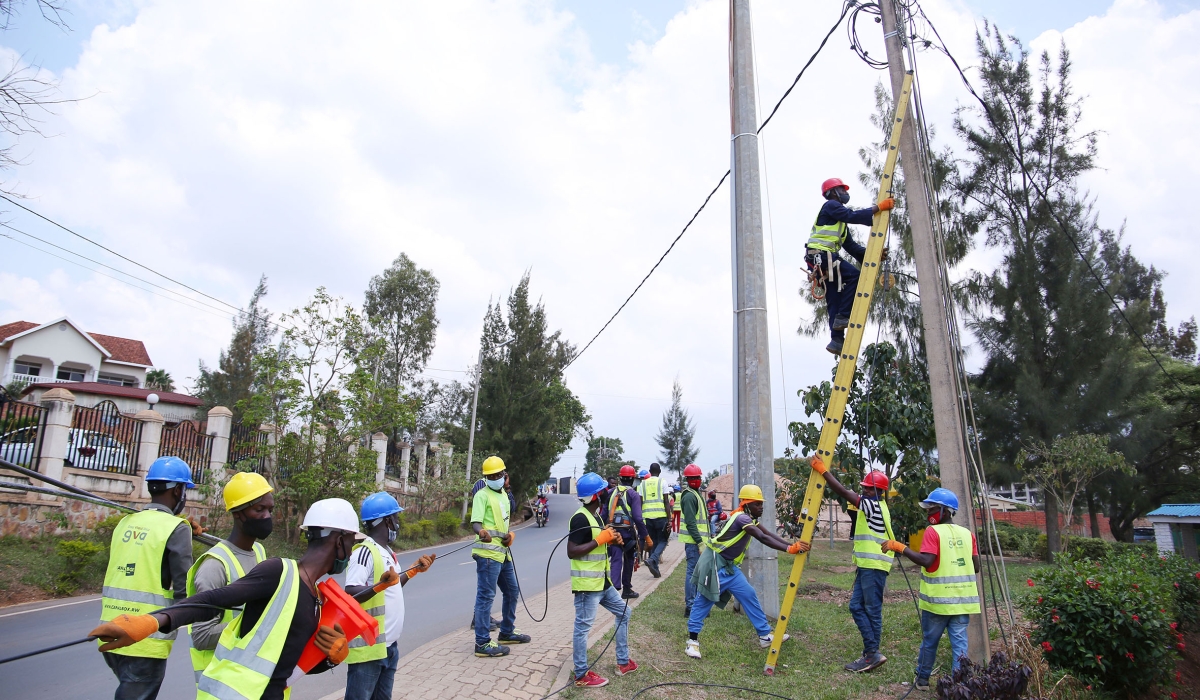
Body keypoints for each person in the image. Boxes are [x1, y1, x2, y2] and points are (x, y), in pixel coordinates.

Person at [91, 498, 377, 700]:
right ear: (338, 538)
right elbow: (212, 599)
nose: (351, 551)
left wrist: (330, 659)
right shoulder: (279, 571)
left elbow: (288, 666)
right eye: (352, 542)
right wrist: (152, 621)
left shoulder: (315, 597)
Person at [97, 455, 198, 700]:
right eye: (184, 490)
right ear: (177, 491)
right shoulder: (176, 528)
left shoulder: (125, 522)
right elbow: (185, 588)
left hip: (110, 629)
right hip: (144, 636)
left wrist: (184, 530)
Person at [685, 484, 809, 659]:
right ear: (747, 504)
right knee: (703, 602)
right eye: (757, 504)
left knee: (749, 594)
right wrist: (789, 549)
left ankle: (764, 635)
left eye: (761, 504)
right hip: (715, 565)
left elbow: (769, 533)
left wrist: (791, 545)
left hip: (729, 568)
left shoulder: (749, 519)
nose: (761, 507)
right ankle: (692, 643)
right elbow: (762, 537)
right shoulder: (742, 519)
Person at [879, 488, 980, 692]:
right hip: (962, 602)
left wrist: (900, 547)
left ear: (946, 511)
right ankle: (960, 686)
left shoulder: (932, 532)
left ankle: (922, 681)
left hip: (937, 603)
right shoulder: (968, 535)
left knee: (929, 642)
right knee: (960, 647)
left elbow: (927, 561)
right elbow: (976, 566)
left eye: (932, 509)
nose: (928, 513)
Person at [184, 471, 273, 686]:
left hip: (249, 680)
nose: (267, 516)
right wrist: (257, 623)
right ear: (238, 513)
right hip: (220, 683)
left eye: (270, 509)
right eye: (259, 509)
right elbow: (202, 636)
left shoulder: (259, 552)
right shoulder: (215, 565)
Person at [344, 492, 435, 700]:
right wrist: (378, 586)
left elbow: (390, 587)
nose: (397, 523)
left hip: (389, 647)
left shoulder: (386, 552)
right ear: (387, 520)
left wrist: (411, 571)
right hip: (369, 651)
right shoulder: (364, 552)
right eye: (396, 518)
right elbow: (350, 592)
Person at [810, 457, 896, 673]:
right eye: (864, 489)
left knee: (872, 611)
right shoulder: (876, 505)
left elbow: (845, 493)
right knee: (856, 606)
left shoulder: (874, 506)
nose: (865, 492)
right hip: (867, 565)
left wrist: (824, 471)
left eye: (868, 489)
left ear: (879, 492)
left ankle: (872, 654)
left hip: (874, 565)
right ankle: (871, 652)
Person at [805, 177, 894, 354]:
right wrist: (878, 208)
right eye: (842, 190)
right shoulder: (830, 206)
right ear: (832, 193)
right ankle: (843, 317)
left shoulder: (840, 226)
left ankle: (836, 340)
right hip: (821, 256)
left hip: (821, 259)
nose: (846, 193)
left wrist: (874, 254)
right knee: (854, 275)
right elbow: (851, 215)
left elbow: (852, 247)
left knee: (835, 298)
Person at [568, 472, 637, 688]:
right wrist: (600, 539)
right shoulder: (580, 518)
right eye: (605, 490)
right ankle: (581, 675)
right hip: (587, 586)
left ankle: (623, 662)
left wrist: (611, 541)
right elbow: (572, 551)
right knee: (583, 627)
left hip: (602, 582)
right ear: (597, 495)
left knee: (624, 613)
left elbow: (598, 545)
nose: (608, 493)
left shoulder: (596, 516)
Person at [471, 456, 530, 658]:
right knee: (485, 597)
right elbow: (476, 522)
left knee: (512, 591)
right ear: (486, 477)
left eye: (499, 474)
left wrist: (508, 535)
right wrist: (481, 532)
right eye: (492, 475)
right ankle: (482, 643)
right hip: (487, 555)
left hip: (502, 553)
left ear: (504, 474)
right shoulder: (482, 495)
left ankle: (506, 631)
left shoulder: (504, 494)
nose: (496, 477)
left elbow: (502, 521)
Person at [607, 465, 651, 599]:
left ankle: (612, 592)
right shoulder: (633, 494)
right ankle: (626, 589)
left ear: (620, 478)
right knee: (629, 559)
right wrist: (646, 537)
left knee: (615, 559)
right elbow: (638, 518)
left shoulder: (610, 493)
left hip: (612, 532)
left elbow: (604, 513)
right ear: (633, 479)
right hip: (627, 534)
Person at [677, 464, 710, 617]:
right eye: (692, 478)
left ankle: (696, 604)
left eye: (697, 477)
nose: (695, 480)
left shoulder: (696, 494)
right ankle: (690, 606)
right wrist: (700, 542)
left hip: (698, 542)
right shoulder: (690, 496)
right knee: (692, 573)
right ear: (687, 480)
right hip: (694, 543)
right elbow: (691, 523)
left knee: (698, 573)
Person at [636, 463, 670, 578]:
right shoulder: (663, 482)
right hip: (660, 516)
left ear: (650, 471)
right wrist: (669, 518)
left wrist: (639, 518)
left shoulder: (643, 484)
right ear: (659, 471)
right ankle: (653, 559)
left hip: (647, 518)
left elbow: (640, 502)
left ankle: (655, 568)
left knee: (653, 542)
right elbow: (666, 501)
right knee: (663, 540)